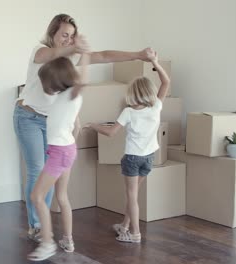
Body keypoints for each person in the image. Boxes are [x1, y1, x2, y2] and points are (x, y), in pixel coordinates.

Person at [13, 13, 155, 243]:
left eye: (72, 36)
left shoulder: (69, 60)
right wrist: (73, 49)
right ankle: (37, 226)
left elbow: (103, 56)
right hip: (27, 116)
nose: (68, 40)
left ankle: (50, 229)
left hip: (51, 122)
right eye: (64, 35)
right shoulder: (40, 50)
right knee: (37, 169)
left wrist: (138, 55)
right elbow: (51, 54)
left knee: (50, 173)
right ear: (52, 34)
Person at [86, 52, 170, 243]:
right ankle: (124, 226)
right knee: (134, 196)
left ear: (132, 93)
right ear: (149, 91)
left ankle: (135, 234)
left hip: (132, 159)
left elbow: (110, 132)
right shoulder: (156, 106)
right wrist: (156, 62)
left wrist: (92, 125)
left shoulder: (129, 112)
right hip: (149, 158)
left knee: (132, 197)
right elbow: (166, 82)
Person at [27, 44, 90, 261]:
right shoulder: (65, 97)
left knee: (36, 196)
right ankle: (68, 240)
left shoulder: (71, 95)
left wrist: (86, 54)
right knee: (62, 196)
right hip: (67, 149)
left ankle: (47, 243)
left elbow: (82, 81)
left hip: (60, 152)